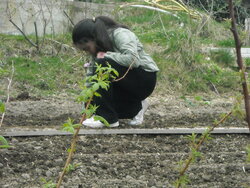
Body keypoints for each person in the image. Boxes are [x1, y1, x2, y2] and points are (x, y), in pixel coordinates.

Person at [72, 16, 159, 128]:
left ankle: (108, 119)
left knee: (102, 62)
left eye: (87, 48)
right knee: (97, 101)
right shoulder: (99, 49)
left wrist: (105, 55)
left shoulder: (120, 34)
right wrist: (87, 101)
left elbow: (133, 60)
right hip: (125, 85)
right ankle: (137, 107)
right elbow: (92, 75)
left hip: (143, 80)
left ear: (94, 38)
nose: (88, 52)